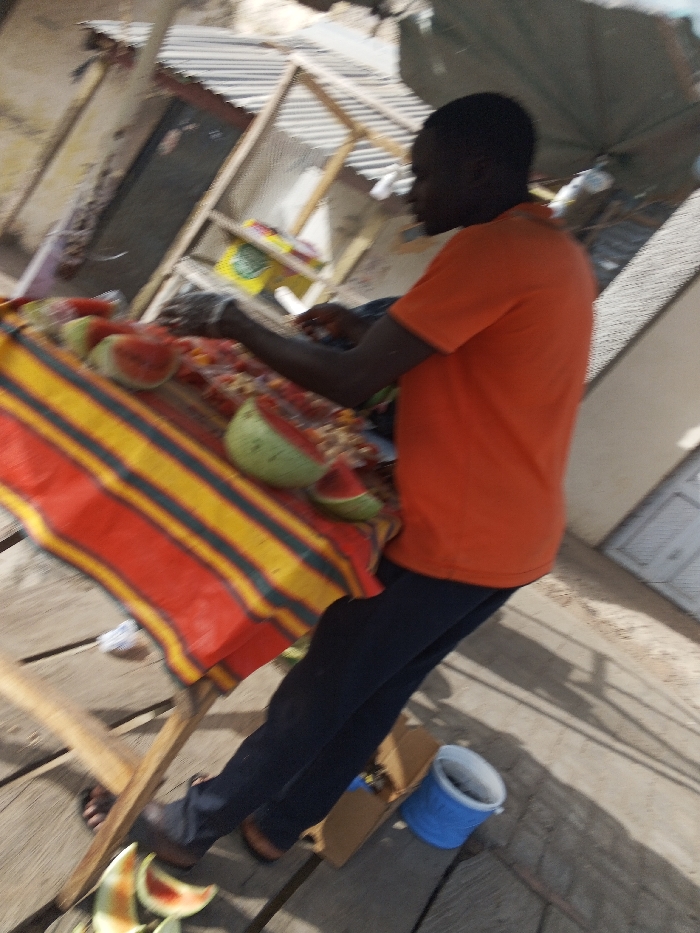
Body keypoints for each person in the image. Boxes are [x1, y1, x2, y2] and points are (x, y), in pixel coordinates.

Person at [83, 93, 596, 866]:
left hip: (453, 535)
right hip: (516, 544)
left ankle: (189, 826)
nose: (412, 192)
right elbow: (468, 352)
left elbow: (355, 381)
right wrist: (366, 328)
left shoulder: (495, 248)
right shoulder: (555, 251)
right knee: (375, 691)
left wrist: (231, 320)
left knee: (322, 687)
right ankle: (277, 822)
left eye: (425, 175)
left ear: (478, 170)